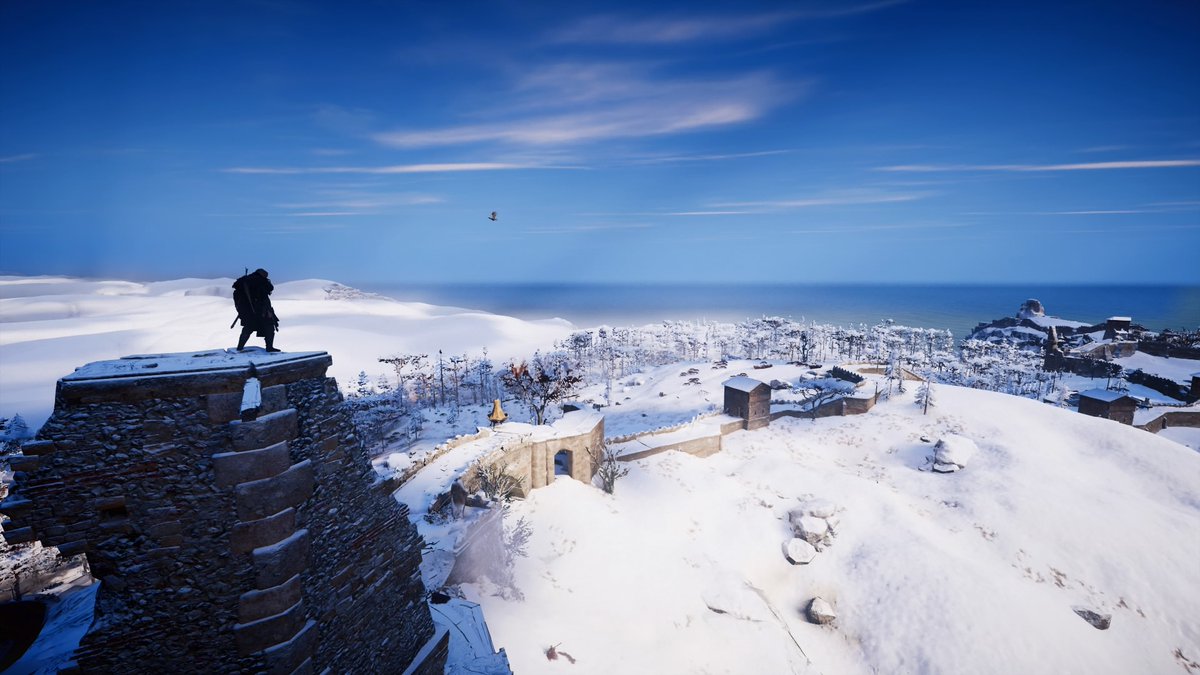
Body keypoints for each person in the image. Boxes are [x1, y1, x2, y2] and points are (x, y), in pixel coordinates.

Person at [232, 268, 280, 352]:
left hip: (248, 311)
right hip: (260, 309)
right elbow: (269, 288)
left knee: (248, 328)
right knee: (269, 326)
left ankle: (240, 347)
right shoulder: (260, 281)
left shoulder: (244, 281)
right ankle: (269, 347)